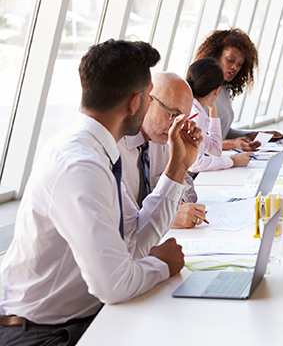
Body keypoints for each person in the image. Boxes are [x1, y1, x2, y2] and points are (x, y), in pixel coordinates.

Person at [0, 39, 202, 345]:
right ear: (135, 102)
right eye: (150, 98)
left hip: (75, 320)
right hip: (41, 334)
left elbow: (132, 243)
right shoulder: (80, 165)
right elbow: (114, 285)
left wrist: (176, 170)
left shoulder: (95, 152)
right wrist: (161, 263)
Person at [117, 71, 208, 229]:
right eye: (173, 114)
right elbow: (119, 222)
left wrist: (177, 205)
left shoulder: (161, 140)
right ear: (146, 101)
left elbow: (188, 189)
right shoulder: (113, 150)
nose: (175, 125)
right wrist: (166, 216)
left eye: (182, 119)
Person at [194, 28, 283, 151]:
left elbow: (223, 132)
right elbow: (197, 142)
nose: (235, 67)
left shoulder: (223, 89)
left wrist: (255, 136)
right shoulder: (199, 91)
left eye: (240, 64)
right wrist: (232, 144)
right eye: (230, 60)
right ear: (215, 56)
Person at [186, 58, 253, 172]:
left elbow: (215, 150)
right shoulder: (194, 116)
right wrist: (233, 161)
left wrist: (213, 108)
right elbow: (195, 164)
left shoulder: (197, 111)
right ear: (217, 90)